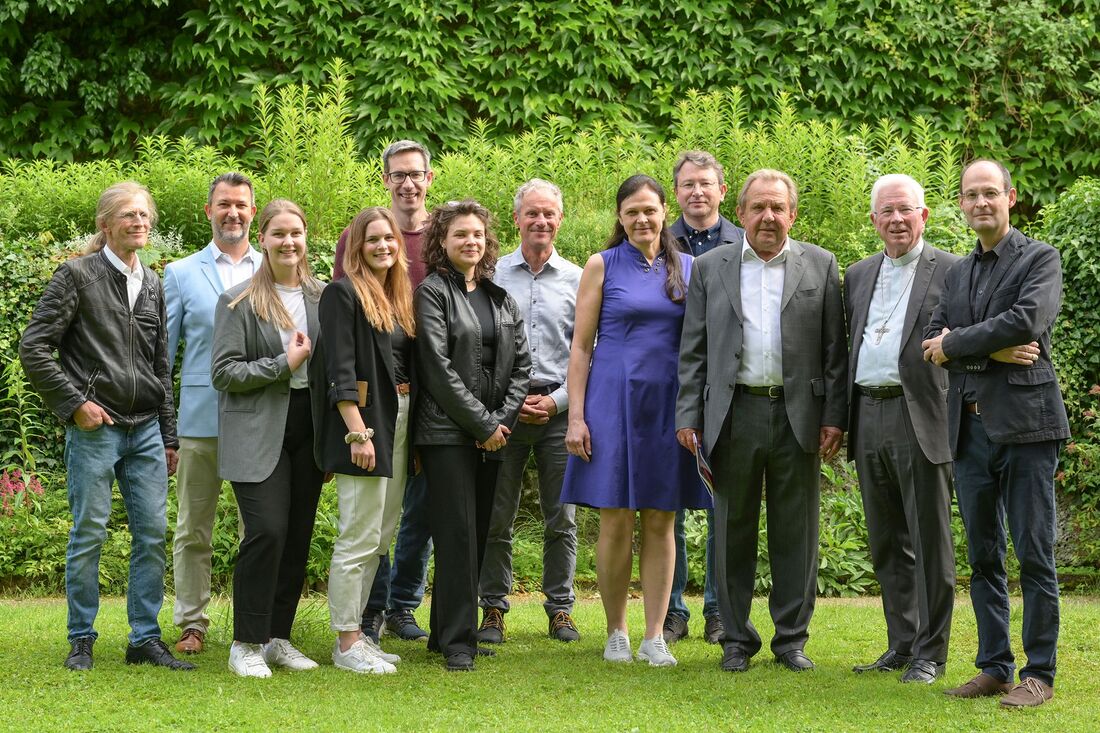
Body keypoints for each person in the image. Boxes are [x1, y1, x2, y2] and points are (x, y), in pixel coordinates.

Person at [676, 168, 847, 674]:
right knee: (731, 529)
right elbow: (694, 351)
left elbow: (834, 352)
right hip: (734, 412)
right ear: (742, 212)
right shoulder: (710, 267)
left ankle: (791, 639)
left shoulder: (820, 264)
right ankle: (735, 638)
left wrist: (834, 415)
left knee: (797, 530)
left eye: (779, 208)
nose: (769, 217)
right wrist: (689, 415)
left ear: (792, 214)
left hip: (801, 415)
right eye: (759, 207)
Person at [19, 181, 194, 671]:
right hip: (97, 428)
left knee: (152, 533)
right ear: (105, 224)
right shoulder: (76, 276)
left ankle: (144, 638)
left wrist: (169, 434)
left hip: (146, 430)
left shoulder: (155, 283)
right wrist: (75, 403)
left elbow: (161, 365)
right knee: (90, 532)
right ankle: (81, 638)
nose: (139, 222)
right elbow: (34, 346)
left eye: (144, 214)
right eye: (128, 215)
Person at [922, 159, 1069, 707]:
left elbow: (1027, 322)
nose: (980, 202)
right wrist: (983, 348)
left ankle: (1040, 674)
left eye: (990, 193)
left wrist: (961, 345)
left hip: (1027, 428)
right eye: (970, 195)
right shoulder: (957, 273)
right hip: (969, 430)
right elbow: (930, 340)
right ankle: (994, 666)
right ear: (961, 204)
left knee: (1034, 553)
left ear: (1010, 197)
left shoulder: (1040, 259)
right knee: (984, 557)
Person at [562, 174, 711, 668]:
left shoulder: (690, 267)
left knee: (663, 519)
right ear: (620, 218)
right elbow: (581, 348)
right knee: (615, 519)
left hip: (669, 407)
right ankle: (616, 632)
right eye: (632, 212)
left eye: (650, 210)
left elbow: (700, 348)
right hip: (612, 404)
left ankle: (654, 635)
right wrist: (576, 417)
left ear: (665, 211)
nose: (642, 219)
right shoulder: (601, 265)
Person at [843, 174, 960, 683]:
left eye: (905, 210)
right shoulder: (858, 274)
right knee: (887, 538)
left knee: (929, 536)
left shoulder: (953, 271)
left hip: (922, 414)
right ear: (873, 220)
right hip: (868, 412)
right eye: (886, 212)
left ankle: (932, 652)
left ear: (924, 215)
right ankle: (902, 642)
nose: (896, 220)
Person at [414, 199, 531, 671]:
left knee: (478, 533)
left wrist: (500, 421)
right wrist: (483, 424)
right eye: (460, 234)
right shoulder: (432, 292)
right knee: (456, 533)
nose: (470, 241)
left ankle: (445, 632)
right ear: (442, 241)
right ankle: (460, 641)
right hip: (446, 432)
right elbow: (437, 369)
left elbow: (522, 366)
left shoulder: (500, 297)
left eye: (477, 235)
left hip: (494, 433)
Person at [211, 199, 325, 678]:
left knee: (298, 535)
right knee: (267, 532)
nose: (288, 242)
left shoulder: (325, 297)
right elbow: (223, 372)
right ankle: (246, 642)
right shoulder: (237, 301)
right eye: (278, 233)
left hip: (310, 429)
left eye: (296, 233)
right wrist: (283, 364)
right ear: (263, 239)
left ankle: (278, 637)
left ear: (305, 238)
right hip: (257, 428)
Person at [334, 140, 434, 642]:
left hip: (417, 401)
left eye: (416, 174)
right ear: (386, 179)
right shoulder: (351, 265)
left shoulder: (439, 238)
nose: (408, 182)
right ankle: (360, 624)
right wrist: (355, 425)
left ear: (429, 178)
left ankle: (397, 609)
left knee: (401, 518)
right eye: (398, 174)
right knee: (365, 523)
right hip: (371, 408)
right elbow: (342, 342)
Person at [477, 179, 583, 645]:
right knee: (497, 516)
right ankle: (493, 609)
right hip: (504, 413)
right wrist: (513, 402)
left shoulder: (581, 278)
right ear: (517, 218)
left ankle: (560, 608)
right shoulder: (491, 275)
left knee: (562, 517)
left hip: (561, 411)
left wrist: (558, 401)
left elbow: (591, 348)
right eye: (532, 214)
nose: (541, 221)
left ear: (560, 219)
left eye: (549, 214)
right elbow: (480, 347)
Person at [312, 207, 415, 674]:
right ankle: (347, 641)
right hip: (365, 428)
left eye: (389, 239)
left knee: (380, 535)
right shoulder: (341, 293)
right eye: (372, 240)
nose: (383, 247)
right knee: (357, 535)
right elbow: (339, 368)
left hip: (398, 422)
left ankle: (360, 632)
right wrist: (357, 431)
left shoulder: (396, 296)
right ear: (356, 246)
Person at [164, 172, 261, 655]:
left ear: (253, 212)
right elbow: (163, 356)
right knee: (192, 528)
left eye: (241, 205)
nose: (233, 213)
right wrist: (168, 431)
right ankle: (192, 623)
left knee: (257, 529)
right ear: (208, 211)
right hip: (199, 419)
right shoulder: (181, 274)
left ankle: (253, 625)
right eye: (224, 204)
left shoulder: (274, 268)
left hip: (259, 419)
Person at [663, 150, 745, 645]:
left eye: (705, 184)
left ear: (721, 189)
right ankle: (673, 610)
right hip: (668, 390)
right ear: (677, 192)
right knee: (667, 505)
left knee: (721, 504)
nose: (697, 192)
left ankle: (717, 609)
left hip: (726, 393)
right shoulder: (658, 242)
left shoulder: (744, 241)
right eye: (687, 184)